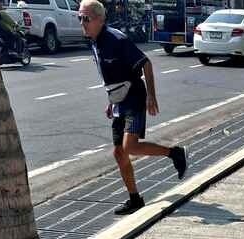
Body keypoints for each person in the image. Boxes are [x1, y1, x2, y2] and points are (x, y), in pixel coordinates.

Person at [79, 0, 187, 215]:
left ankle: (174, 153)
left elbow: (146, 63)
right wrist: (111, 102)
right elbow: (112, 74)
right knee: (119, 153)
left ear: (100, 19)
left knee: (130, 147)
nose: (82, 23)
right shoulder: (95, 41)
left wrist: (151, 97)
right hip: (119, 100)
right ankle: (135, 199)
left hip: (135, 98)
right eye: (79, 18)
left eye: (86, 18)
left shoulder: (116, 39)